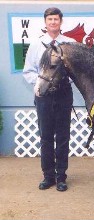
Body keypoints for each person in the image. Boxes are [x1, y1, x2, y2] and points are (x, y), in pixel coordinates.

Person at [23, 7, 76, 191]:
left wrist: (62, 80)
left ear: (61, 22)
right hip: (44, 97)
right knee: (45, 137)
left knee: (63, 136)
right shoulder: (36, 45)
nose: (53, 22)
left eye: (56, 19)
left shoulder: (70, 44)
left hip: (63, 95)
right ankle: (48, 176)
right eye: (50, 19)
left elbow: (75, 71)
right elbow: (28, 71)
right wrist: (41, 84)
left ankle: (61, 177)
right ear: (45, 22)